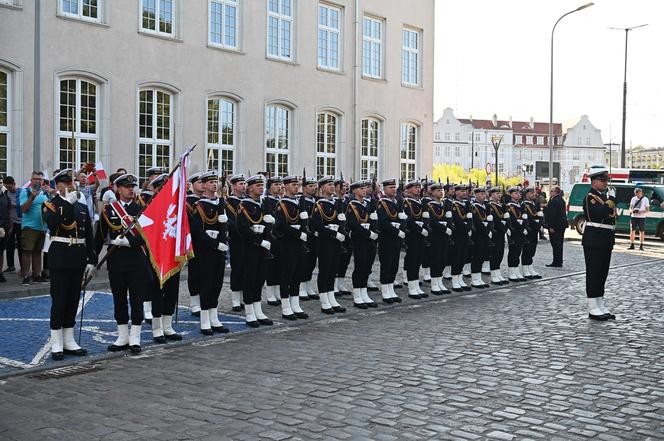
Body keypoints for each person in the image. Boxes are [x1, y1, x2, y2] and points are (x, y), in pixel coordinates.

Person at [42, 169, 97, 360]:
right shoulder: (50, 205)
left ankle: (69, 339)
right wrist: (66, 203)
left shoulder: (81, 207)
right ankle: (56, 340)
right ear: (58, 186)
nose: (71, 186)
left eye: (72, 183)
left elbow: (88, 234)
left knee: (73, 299)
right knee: (59, 300)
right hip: (60, 257)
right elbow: (53, 223)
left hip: (78, 257)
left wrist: (92, 259)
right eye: (66, 183)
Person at [96, 174, 149, 353]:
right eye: (126, 186)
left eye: (133, 186)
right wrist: (91, 261)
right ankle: (122, 336)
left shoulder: (141, 209)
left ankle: (135, 337)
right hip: (116, 261)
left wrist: (130, 242)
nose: (131, 189)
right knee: (119, 299)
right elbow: (99, 237)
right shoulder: (109, 210)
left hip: (136, 260)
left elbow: (147, 236)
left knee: (137, 299)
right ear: (117, 189)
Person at [189, 171, 231, 335]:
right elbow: (197, 231)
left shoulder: (220, 203)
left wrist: (224, 236)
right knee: (206, 284)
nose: (214, 184)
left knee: (217, 284)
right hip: (205, 250)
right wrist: (215, 244)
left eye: (215, 182)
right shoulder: (199, 205)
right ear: (204, 185)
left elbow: (223, 228)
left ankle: (214, 317)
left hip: (219, 250)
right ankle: (205, 320)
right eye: (211, 182)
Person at [237, 175, 275, 327]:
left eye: (262, 185)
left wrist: (270, 225)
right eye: (257, 185)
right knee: (250, 278)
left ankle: (258, 309)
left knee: (260, 278)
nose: (261, 187)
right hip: (249, 247)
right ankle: (249, 312)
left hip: (263, 248)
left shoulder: (263, 203)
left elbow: (267, 225)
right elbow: (243, 229)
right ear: (250, 188)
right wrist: (259, 241)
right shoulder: (243, 205)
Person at [582, 169, 616, 321]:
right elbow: (599, 213)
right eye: (603, 181)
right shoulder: (590, 197)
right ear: (594, 182)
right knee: (594, 273)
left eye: (606, 181)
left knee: (602, 274)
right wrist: (610, 202)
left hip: (605, 238)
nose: (605, 183)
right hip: (594, 239)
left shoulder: (604, 197)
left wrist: (610, 201)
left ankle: (600, 303)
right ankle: (592, 306)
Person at [310, 176, 347, 314]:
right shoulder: (319, 205)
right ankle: (324, 300)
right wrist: (333, 233)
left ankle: (331, 298)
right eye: (329, 185)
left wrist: (342, 226)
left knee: (333, 270)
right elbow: (317, 225)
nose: (332, 187)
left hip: (336, 242)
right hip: (325, 241)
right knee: (325, 271)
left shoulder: (336, 203)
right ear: (322, 188)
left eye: (333, 185)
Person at [274, 176, 309, 320]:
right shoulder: (281, 205)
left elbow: (302, 223)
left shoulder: (299, 203)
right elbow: (281, 226)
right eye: (294, 185)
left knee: (297, 275)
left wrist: (305, 223)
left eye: (298, 185)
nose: (297, 187)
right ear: (286, 187)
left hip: (299, 244)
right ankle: (286, 307)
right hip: (287, 244)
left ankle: (295, 304)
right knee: (286, 276)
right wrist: (298, 233)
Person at [346, 180, 379, 308]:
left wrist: (374, 229)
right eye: (360, 189)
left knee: (367, 266)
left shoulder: (368, 204)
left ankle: (364, 292)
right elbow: (353, 225)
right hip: (359, 239)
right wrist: (368, 233)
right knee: (360, 266)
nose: (364, 190)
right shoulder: (352, 206)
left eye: (365, 188)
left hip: (369, 239)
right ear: (354, 191)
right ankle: (357, 294)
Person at [19, 171, 54, 285]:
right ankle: (25, 276)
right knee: (27, 251)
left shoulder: (45, 194)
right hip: (29, 227)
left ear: (43, 181)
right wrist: (32, 197)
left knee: (38, 252)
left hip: (42, 227)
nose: (38, 181)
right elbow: (23, 209)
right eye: (35, 179)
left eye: (40, 179)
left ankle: (37, 275)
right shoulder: (25, 192)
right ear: (31, 180)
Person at [375, 178, 405, 303]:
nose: (393, 190)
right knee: (386, 264)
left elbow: (398, 218)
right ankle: (385, 291)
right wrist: (396, 231)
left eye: (394, 187)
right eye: (390, 188)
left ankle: (391, 289)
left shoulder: (397, 202)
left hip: (396, 239)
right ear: (384, 189)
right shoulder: (382, 203)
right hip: (386, 238)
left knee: (394, 265)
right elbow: (383, 222)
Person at [425, 182, 452, 295]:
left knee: (443, 259)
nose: (440, 192)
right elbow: (432, 221)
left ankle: (439, 281)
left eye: (441, 190)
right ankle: (434, 284)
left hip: (444, 236)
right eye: (437, 190)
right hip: (435, 235)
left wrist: (448, 227)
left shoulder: (444, 204)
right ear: (432, 192)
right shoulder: (429, 205)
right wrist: (444, 228)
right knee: (436, 259)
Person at [403, 180, 428, 299]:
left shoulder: (419, 202)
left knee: (418, 259)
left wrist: (425, 228)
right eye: (415, 188)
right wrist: (419, 229)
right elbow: (408, 220)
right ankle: (412, 287)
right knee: (413, 260)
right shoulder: (407, 203)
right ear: (408, 189)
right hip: (412, 234)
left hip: (420, 235)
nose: (418, 189)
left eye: (419, 187)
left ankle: (415, 284)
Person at [225, 174, 246, 312]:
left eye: (244, 184)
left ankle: (243, 296)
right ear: (233, 186)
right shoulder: (230, 202)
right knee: (237, 269)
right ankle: (235, 300)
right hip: (237, 239)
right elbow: (230, 221)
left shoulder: (246, 201)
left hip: (247, 239)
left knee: (246, 269)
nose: (243, 186)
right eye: (240, 184)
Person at [185, 172, 203, 316]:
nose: (202, 185)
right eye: (199, 182)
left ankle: (203, 299)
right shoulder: (188, 201)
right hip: (194, 241)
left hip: (208, 242)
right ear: (192, 185)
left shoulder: (210, 200)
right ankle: (194, 302)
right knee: (195, 272)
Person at [487, 187, 509, 285]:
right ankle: (494, 275)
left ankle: (497, 272)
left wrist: (505, 225)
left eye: (499, 193)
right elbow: (495, 219)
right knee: (494, 254)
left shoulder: (501, 205)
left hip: (501, 232)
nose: (499, 195)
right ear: (491, 195)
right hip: (495, 232)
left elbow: (505, 216)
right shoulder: (490, 205)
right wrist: (502, 225)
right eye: (496, 193)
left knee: (500, 253)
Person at [505, 187, 527, 282]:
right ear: (511, 194)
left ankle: (516, 270)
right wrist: (520, 226)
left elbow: (524, 217)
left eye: (519, 193)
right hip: (514, 231)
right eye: (516, 193)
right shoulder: (509, 206)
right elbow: (512, 220)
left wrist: (524, 226)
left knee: (518, 251)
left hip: (520, 231)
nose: (518, 194)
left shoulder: (520, 205)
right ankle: (511, 272)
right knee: (513, 251)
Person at [544, 186, 568, 267]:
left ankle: (556, 262)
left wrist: (551, 226)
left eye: (552, 191)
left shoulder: (554, 201)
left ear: (556, 192)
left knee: (555, 244)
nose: (550, 192)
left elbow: (552, 215)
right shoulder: (561, 200)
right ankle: (559, 261)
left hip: (556, 226)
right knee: (559, 244)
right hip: (562, 225)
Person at [521, 188, 542, 279]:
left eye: (534, 193)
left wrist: (540, 223)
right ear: (526, 195)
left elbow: (536, 215)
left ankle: (530, 267)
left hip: (534, 231)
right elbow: (528, 218)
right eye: (531, 193)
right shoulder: (524, 205)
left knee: (532, 249)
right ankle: (525, 269)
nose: (533, 194)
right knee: (527, 250)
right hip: (529, 230)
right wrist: (536, 224)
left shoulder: (534, 204)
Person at [2, 176, 22, 275]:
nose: (9, 189)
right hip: (10, 223)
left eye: (10, 187)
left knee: (21, 245)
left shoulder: (21, 192)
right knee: (9, 245)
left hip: (20, 222)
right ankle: (11, 266)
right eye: (7, 187)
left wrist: (13, 204)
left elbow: (23, 203)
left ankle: (23, 267)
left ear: (14, 184)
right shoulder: (5, 194)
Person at [628, 187, 649, 251]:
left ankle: (641, 245)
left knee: (642, 231)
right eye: (637, 194)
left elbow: (648, 210)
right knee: (632, 231)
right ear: (635, 193)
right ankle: (632, 244)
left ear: (641, 193)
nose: (638, 195)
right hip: (634, 216)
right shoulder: (633, 199)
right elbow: (630, 208)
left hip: (642, 217)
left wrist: (641, 212)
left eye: (639, 193)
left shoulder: (645, 199)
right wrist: (632, 211)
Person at [0, 177, 10, 282]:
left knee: (1, 251)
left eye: (1, 182)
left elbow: (8, 211)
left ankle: (0, 273)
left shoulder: (5, 197)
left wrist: (9, 226)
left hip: (4, 227)